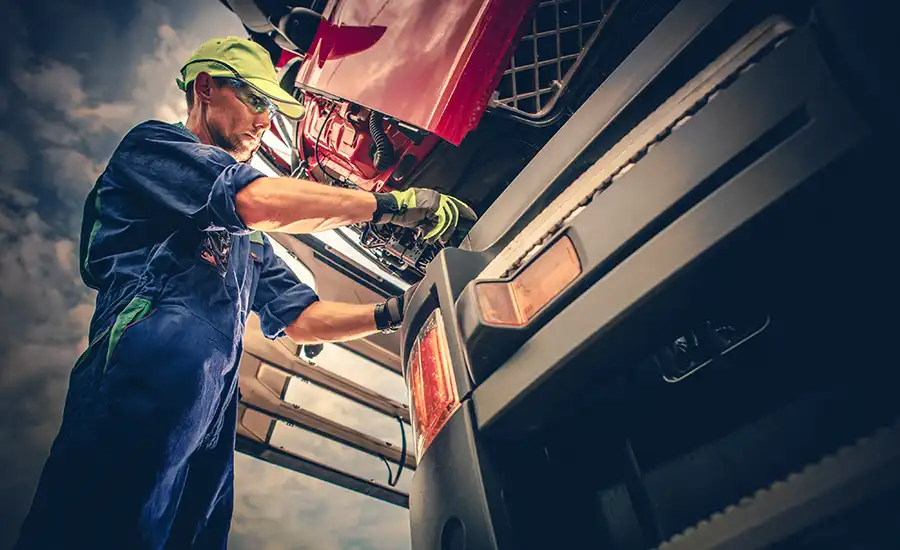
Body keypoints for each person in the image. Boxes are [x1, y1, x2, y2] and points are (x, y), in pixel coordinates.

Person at [14, 36, 476, 550]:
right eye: (255, 101)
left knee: (192, 536)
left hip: (210, 410)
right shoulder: (154, 149)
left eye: (271, 108)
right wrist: (389, 204)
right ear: (206, 89)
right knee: (95, 525)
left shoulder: (249, 243)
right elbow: (254, 198)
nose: (264, 121)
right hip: (143, 368)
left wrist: (395, 311)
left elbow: (302, 316)